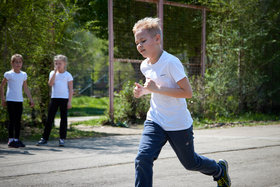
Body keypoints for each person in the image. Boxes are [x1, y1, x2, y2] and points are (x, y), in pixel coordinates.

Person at [132, 17, 231, 187]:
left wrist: (156, 89)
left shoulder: (171, 62)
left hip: (178, 123)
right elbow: (157, 88)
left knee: (190, 163)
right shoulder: (145, 66)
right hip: (155, 120)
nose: (139, 45)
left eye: (143, 40)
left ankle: (219, 170)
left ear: (157, 39)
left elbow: (187, 93)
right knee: (143, 158)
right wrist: (143, 91)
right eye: (137, 42)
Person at [36, 55, 73, 147]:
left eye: (60, 63)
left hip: (64, 99)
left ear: (64, 64)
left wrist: (69, 101)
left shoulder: (68, 75)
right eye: (56, 63)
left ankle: (62, 139)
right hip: (54, 98)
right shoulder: (52, 73)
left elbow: (71, 89)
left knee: (63, 119)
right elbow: (50, 84)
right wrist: (55, 72)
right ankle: (44, 138)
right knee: (50, 119)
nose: (58, 65)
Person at [0, 54, 34, 148]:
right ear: (12, 63)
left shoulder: (23, 74)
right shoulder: (8, 74)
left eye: (20, 62)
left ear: (22, 63)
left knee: (18, 120)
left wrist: (31, 99)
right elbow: (2, 86)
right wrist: (3, 99)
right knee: (12, 120)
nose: (18, 64)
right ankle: (10, 140)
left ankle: (17, 139)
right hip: (10, 99)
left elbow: (25, 88)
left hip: (19, 100)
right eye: (16, 62)